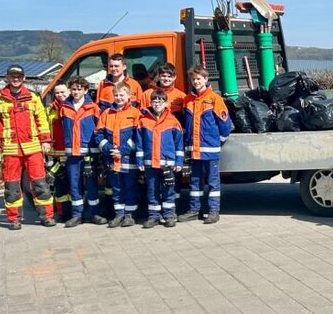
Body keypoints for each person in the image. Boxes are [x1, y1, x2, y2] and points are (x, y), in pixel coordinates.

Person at [0, 65, 55, 229]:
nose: (15, 79)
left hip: (33, 148)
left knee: (40, 185)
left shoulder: (32, 96)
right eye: (12, 76)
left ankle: (47, 217)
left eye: (19, 76)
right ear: (7, 77)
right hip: (10, 148)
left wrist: (45, 140)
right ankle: (14, 219)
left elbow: (42, 119)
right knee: (12, 187)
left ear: (23, 78)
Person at [179, 66, 232, 224]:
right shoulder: (187, 100)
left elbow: (225, 124)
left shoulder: (215, 99)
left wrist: (218, 141)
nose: (196, 82)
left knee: (213, 182)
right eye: (194, 79)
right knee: (195, 182)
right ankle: (194, 210)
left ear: (206, 79)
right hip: (194, 149)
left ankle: (213, 211)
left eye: (199, 79)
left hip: (210, 148)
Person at [60, 77, 107, 226]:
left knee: (92, 184)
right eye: (74, 89)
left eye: (79, 89)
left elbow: (98, 129)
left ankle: (95, 214)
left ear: (86, 90)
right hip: (72, 153)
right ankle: (77, 215)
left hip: (89, 152)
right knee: (74, 184)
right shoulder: (64, 107)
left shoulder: (93, 107)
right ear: (70, 90)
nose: (76, 92)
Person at [94, 82, 142, 227]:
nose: (119, 98)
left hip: (129, 159)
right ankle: (119, 214)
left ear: (129, 96)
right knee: (116, 188)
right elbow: (98, 134)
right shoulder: (106, 113)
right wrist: (108, 148)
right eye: (116, 95)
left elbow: (137, 136)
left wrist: (122, 150)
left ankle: (129, 215)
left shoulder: (135, 113)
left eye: (122, 95)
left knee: (130, 187)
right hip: (112, 158)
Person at [138, 90, 185, 228]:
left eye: (160, 101)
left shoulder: (173, 121)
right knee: (152, 190)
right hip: (150, 163)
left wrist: (179, 161)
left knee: (168, 190)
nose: (157, 104)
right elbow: (139, 144)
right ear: (150, 103)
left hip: (167, 164)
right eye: (154, 101)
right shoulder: (143, 121)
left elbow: (179, 144)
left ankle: (169, 215)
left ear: (166, 103)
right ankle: (153, 217)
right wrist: (140, 161)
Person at [47, 83, 72, 222]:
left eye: (63, 92)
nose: (60, 95)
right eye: (57, 93)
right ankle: (62, 213)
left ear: (69, 91)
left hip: (71, 152)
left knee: (74, 184)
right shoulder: (49, 110)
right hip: (56, 153)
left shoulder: (72, 106)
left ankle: (75, 213)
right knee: (59, 184)